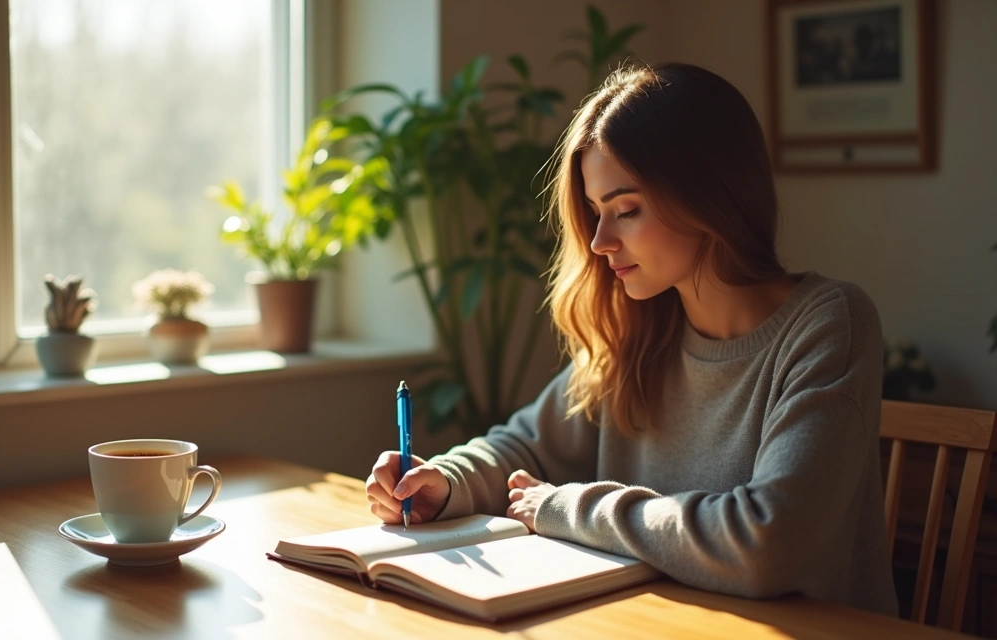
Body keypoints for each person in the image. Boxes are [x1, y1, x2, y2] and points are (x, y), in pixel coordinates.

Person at [364, 62, 898, 616]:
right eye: (596, 213)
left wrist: (566, 507)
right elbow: (524, 447)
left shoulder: (830, 322)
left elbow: (769, 543)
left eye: (626, 210)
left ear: (709, 194)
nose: (598, 241)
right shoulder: (640, 328)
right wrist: (443, 481)